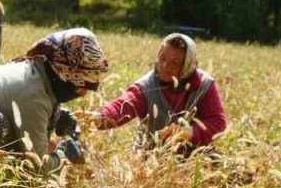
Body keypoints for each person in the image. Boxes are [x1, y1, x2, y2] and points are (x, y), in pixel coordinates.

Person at [0, 29, 109, 173]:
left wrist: (54, 117)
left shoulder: (36, 71)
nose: (83, 94)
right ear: (63, 74)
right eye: (82, 85)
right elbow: (39, 166)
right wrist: (63, 154)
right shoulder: (33, 94)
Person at [88, 33, 227, 152]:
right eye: (162, 58)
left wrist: (191, 133)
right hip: (152, 157)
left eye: (174, 63)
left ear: (187, 65)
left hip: (195, 158)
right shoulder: (146, 87)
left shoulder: (204, 85)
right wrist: (98, 118)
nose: (165, 66)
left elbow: (218, 122)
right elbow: (122, 107)